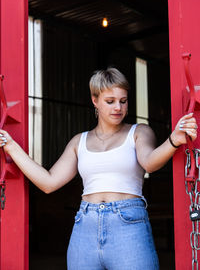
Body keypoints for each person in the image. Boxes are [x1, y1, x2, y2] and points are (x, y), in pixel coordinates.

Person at [0, 68, 197, 270]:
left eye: (123, 100)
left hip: (128, 226)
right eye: (110, 101)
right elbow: (48, 183)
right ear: (95, 100)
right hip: (85, 226)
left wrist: (173, 140)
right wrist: (12, 147)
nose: (118, 107)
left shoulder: (139, 132)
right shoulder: (79, 141)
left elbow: (149, 162)